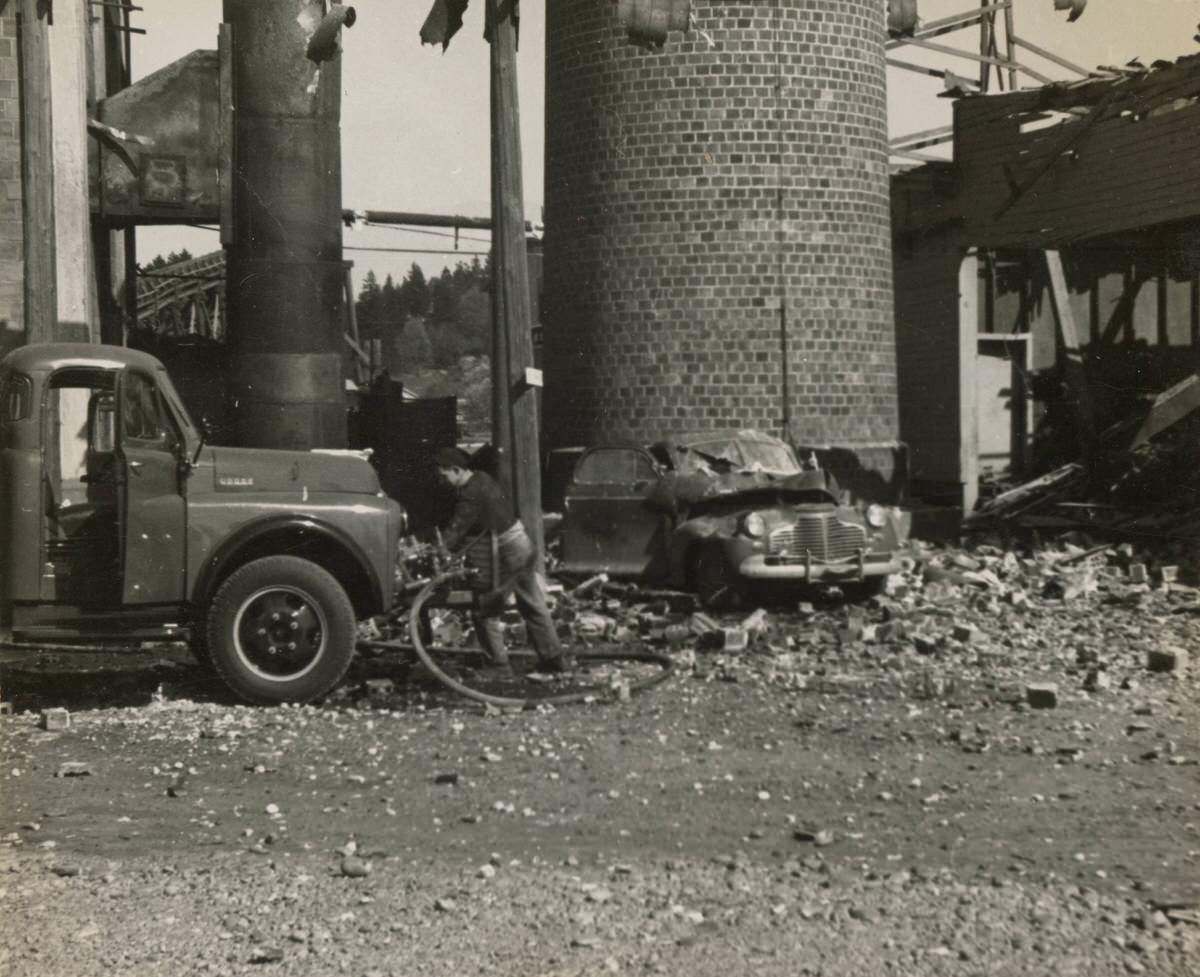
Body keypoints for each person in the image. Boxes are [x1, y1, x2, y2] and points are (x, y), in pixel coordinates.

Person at [433, 446, 570, 677]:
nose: (441, 482)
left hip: (508, 552)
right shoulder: (482, 478)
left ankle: (499, 667)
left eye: (443, 476)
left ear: (456, 470)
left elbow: (458, 527)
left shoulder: (470, 494)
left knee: (484, 609)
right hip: (522, 544)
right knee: (532, 603)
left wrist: (439, 550)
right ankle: (554, 660)